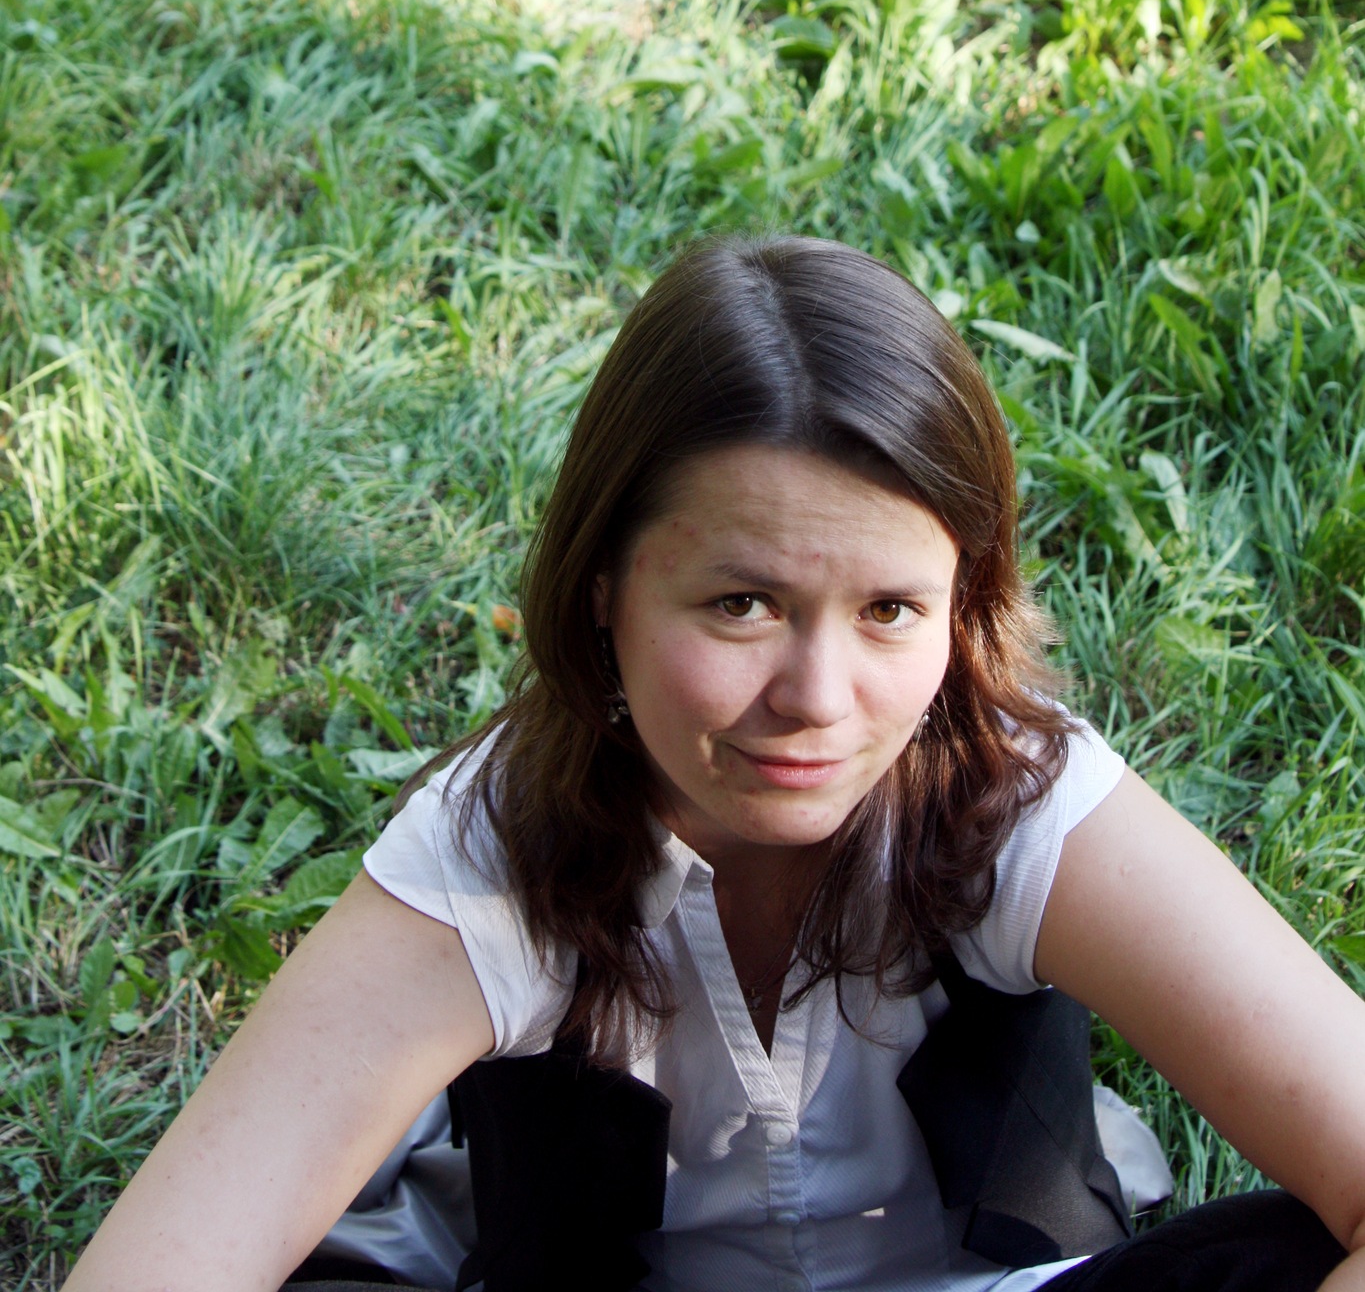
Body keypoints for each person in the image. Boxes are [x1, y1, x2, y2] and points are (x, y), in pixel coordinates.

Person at [63, 237, 1365, 1292]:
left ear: (962, 607)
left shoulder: (1021, 802)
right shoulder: (489, 855)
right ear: (601, 592)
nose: (816, 700)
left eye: (889, 611)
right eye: (741, 604)